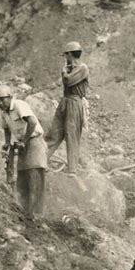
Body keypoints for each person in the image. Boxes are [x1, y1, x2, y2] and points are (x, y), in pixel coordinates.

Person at [0, 85, 47, 217]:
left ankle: (36, 213)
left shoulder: (18, 105)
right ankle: (23, 211)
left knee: (34, 174)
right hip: (22, 144)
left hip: (34, 141)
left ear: (10, 97)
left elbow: (32, 122)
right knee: (22, 177)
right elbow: (6, 129)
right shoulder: (4, 113)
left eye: (3, 99)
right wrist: (7, 143)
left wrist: (25, 140)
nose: (1, 103)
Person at [45, 42, 89, 177]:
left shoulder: (82, 68)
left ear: (70, 54)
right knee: (54, 133)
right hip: (65, 101)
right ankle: (41, 161)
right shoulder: (70, 68)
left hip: (75, 102)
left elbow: (68, 81)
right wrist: (66, 70)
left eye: (66, 55)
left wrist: (64, 71)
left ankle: (72, 169)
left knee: (72, 134)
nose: (65, 57)